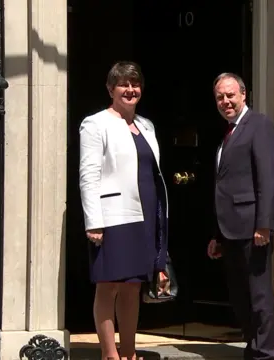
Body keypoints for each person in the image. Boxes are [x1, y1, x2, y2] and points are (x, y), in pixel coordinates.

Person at [79, 61, 168, 360]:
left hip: (145, 213)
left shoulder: (147, 125)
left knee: (132, 287)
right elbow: (88, 174)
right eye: (123, 84)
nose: (130, 90)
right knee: (109, 286)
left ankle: (129, 352)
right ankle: (109, 354)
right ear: (111, 89)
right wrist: (94, 221)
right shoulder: (95, 124)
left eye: (135, 84)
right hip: (113, 215)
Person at [207, 72, 274, 360]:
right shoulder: (229, 132)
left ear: (243, 95)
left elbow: (268, 178)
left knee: (259, 296)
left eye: (230, 95)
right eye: (220, 97)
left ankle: (265, 353)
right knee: (240, 297)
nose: (225, 101)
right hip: (230, 231)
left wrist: (264, 224)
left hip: (253, 228)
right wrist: (217, 235)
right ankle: (253, 347)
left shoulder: (258, 125)